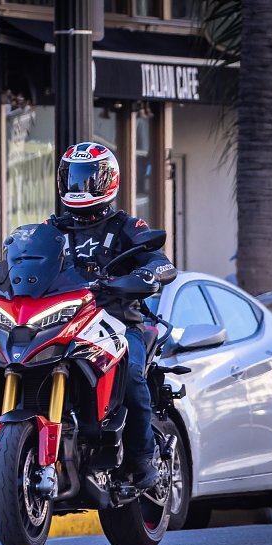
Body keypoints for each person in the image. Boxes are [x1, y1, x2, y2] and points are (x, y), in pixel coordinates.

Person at [51, 142, 177, 488]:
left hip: (119, 324)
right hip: (65, 324)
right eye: (73, 178)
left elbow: (159, 260)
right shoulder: (52, 229)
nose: (79, 186)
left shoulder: (127, 226)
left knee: (132, 374)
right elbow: (19, 263)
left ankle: (142, 460)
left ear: (109, 180)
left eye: (89, 178)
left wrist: (150, 273)